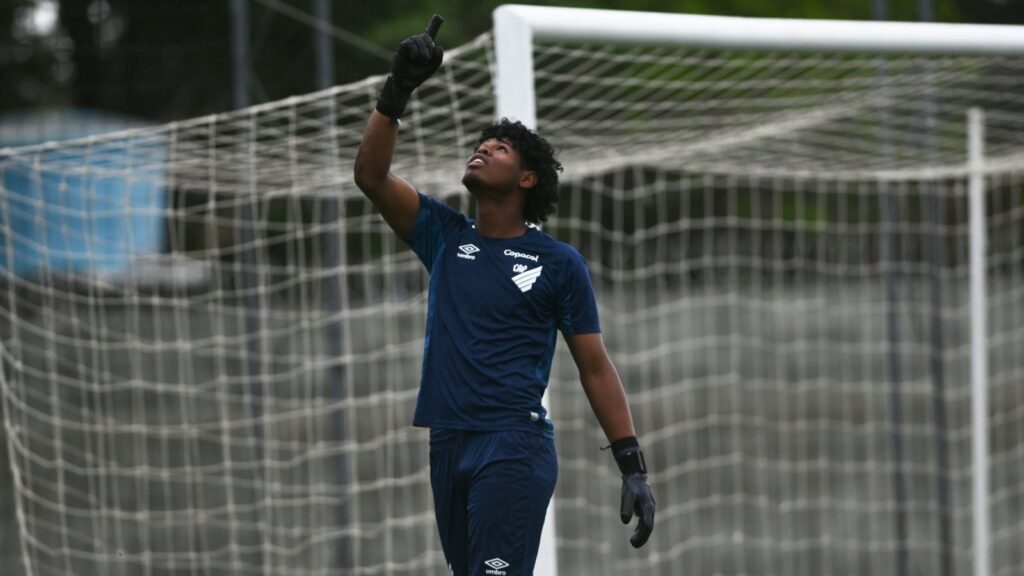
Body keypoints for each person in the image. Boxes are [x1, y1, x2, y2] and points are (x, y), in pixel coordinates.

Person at [353, 17, 655, 576]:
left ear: (528, 180)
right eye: (482, 143)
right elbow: (371, 175)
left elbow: (594, 366)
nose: (485, 148)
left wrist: (631, 464)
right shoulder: (444, 236)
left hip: (512, 446)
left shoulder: (558, 263)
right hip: (447, 441)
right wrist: (396, 91)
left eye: (501, 147)